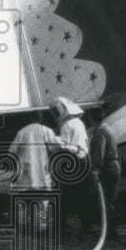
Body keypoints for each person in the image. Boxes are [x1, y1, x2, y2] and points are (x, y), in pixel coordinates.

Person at [8, 110, 64, 232]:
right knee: (41, 203)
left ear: (30, 118)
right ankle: (39, 229)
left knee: (22, 203)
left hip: (25, 175)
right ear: (41, 119)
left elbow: (11, 152)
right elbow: (56, 147)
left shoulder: (22, 132)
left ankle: (21, 229)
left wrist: (16, 167)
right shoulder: (46, 131)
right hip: (41, 174)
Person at [50, 96, 97, 234]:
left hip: (73, 162)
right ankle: (86, 225)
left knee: (62, 193)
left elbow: (65, 146)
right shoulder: (79, 122)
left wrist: (54, 141)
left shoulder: (66, 125)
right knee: (84, 195)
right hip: (84, 160)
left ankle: (61, 225)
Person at [87, 105, 121, 241]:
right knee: (110, 200)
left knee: (105, 201)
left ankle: (110, 232)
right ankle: (110, 231)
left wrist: (94, 169)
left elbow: (99, 155)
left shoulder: (100, 131)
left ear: (91, 118)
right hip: (114, 165)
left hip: (107, 167)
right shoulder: (107, 128)